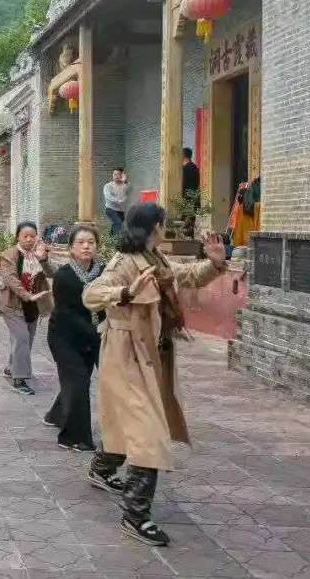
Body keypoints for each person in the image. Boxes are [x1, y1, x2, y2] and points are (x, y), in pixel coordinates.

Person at [82, 203, 226, 547]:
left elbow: (186, 275)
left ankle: (101, 468)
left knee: (127, 425)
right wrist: (126, 292)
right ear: (156, 226)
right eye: (164, 224)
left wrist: (216, 262)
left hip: (153, 355)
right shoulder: (125, 262)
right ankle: (135, 515)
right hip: (126, 355)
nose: (166, 229)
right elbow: (91, 293)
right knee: (147, 433)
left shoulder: (155, 260)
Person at [44, 224, 105, 451]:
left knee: (77, 382)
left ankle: (56, 414)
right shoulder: (64, 276)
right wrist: (97, 331)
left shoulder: (103, 273)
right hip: (65, 337)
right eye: (81, 242)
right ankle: (75, 438)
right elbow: (66, 314)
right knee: (78, 381)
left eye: (91, 242)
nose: (86, 246)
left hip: (96, 336)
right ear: (70, 248)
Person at [0, 221, 53, 395]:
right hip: (13, 305)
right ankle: (19, 378)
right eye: (25, 236)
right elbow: (10, 279)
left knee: (26, 340)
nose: (29, 239)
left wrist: (43, 259)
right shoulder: (9, 255)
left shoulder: (38, 255)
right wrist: (27, 295)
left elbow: (50, 274)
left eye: (32, 236)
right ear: (18, 237)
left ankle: (11, 367)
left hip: (33, 306)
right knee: (21, 338)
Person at [103, 168, 130, 237]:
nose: (116, 176)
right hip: (110, 209)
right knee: (117, 222)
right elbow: (108, 197)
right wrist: (118, 200)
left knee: (121, 224)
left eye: (119, 174)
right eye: (115, 174)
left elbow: (130, 191)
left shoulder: (125, 185)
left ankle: (109, 239)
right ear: (112, 175)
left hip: (121, 210)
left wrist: (125, 182)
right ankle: (118, 242)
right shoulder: (108, 186)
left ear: (122, 175)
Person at [181, 148, 201, 237]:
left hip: (185, 199)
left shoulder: (183, 169)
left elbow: (182, 185)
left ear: (183, 155)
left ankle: (185, 243)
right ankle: (190, 240)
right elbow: (197, 184)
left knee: (184, 223)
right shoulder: (196, 168)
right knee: (191, 222)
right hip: (194, 199)